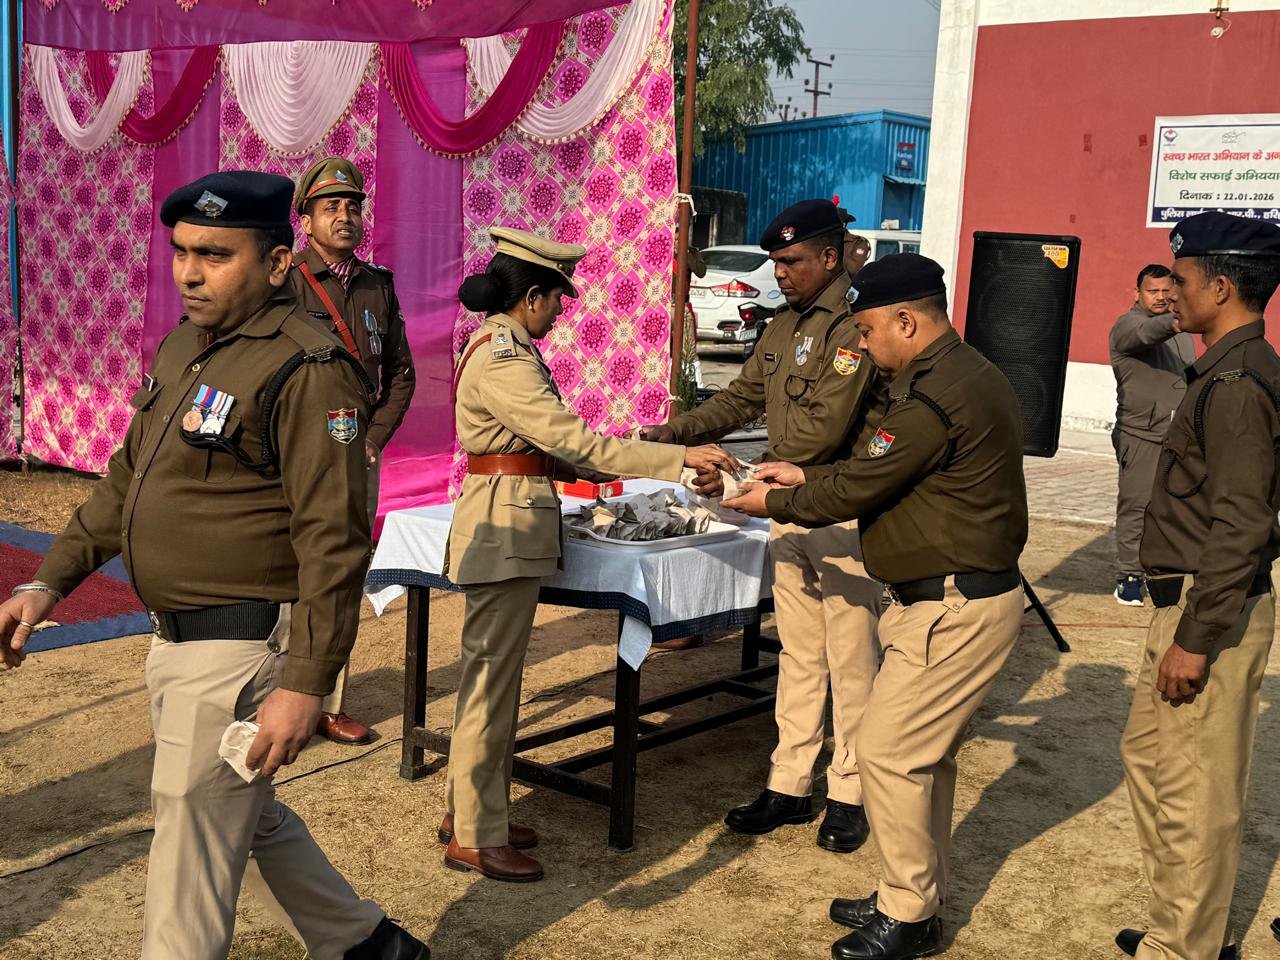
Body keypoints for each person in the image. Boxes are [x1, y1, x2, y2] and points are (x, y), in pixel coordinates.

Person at [0, 171, 427, 960]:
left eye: (215, 255)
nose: (190, 273)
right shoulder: (186, 345)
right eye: (182, 252)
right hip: (176, 642)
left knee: (189, 858)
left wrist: (306, 684)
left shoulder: (309, 369)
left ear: (276, 264)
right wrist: (46, 579)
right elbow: (127, 480)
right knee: (244, 815)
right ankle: (367, 945)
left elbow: (333, 540)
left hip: (238, 650)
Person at [720, 253, 1028, 960]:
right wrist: (805, 472)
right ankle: (910, 895)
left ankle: (909, 914)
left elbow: (860, 487)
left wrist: (773, 500)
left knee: (890, 755)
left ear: (906, 321)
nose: (859, 344)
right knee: (925, 759)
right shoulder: (961, 374)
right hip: (956, 596)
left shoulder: (933, 395)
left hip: (951, 606)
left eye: (865, 330)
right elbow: (877, 470)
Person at [441, 225, 734, 883]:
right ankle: (475, 834)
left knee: (493, 683)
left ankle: (472, 810)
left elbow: (552, 450)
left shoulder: (502, 346)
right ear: (532, 297)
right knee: (491, 687)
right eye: (556, 300)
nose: (559, 313)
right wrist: (675, 458)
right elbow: (578, 443)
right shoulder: (506, 358)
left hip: (508, 520)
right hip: (503, 528)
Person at [644, 198, 885, 855]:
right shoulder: (783, 326)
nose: (779, 271)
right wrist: (675, 431)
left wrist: (742, 478)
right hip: (784, 508)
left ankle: (851, 792)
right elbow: (741, 397)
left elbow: (822, 430)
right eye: (775, 261)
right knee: (801, 656)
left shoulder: (853, 326)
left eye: (792, 260)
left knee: (853, 658)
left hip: (837, 507)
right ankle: (789, 783)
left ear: (830, 258)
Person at [1117, 212, 1280, 960]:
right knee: (1153, 763)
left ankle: (1187, 946)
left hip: (1209, 610)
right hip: (1184, 602)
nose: (1168, 293)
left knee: (1194, 790)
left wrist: (1196, 636)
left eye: (1180, 281)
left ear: (1220, 287)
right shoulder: (1224, 368)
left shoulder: (1239, 383)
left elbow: (1241, 524)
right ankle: (1180, 927)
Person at [289, 156, 416, 746]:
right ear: (306, 220)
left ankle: (327, 702)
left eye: (352, 206)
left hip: (356, 453)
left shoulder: (377, 286)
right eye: (330, 207)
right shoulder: (284, 280)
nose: (344, 216)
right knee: (284, 569)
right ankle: (273, 695)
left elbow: (402, 375)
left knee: (342, 573)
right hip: (295, 451)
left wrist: (374, 438)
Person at [1109, 263, 1194, 606]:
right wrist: (1177, 319)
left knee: (1173, 508)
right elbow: (1146, 333)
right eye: (1152, 291)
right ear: (1137, 293)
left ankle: (1164, 570)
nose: (1160, 297)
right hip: (1140, 435)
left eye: (1165, 290)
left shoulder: (1182, 331)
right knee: (1138, 506)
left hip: (1177, 435)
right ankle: (1129, 578)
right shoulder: (1128, 326)